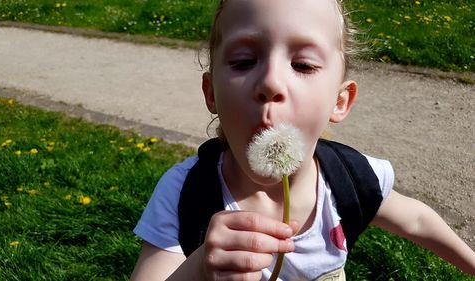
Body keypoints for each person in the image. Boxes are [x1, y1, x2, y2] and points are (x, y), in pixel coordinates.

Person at [130, 0, 475, 280]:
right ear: (211, 94)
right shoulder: (185, 195)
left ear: (340, 102)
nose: (271, 82)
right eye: (243, 61)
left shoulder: (351, 179)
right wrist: (199, 268)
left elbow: (415, 219)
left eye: (304, 65)